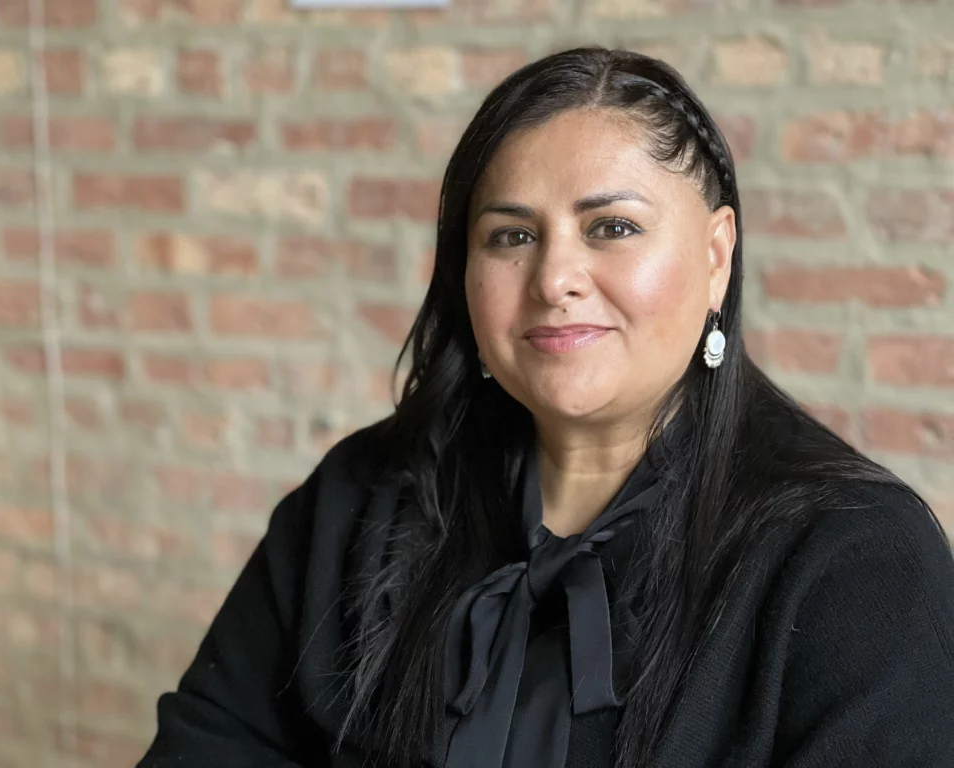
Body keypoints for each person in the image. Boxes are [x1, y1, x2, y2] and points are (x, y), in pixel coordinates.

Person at [136, 47, 954, 768]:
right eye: (512, 236)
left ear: (716, 257)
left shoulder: (856, 561)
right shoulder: (360, 498)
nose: (555, 278)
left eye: (612, 228)